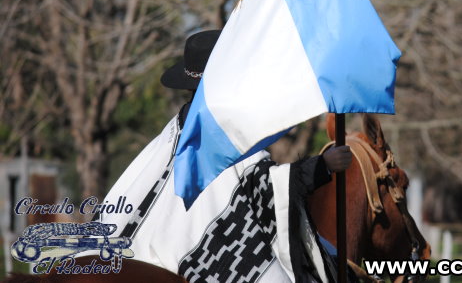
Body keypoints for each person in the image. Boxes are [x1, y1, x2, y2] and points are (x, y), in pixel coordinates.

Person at [92, 30, 352, 282]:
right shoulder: (224, 132)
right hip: (194, 248)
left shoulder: (172, 132)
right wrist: (323, 165)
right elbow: (266, 188)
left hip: (146, 240)